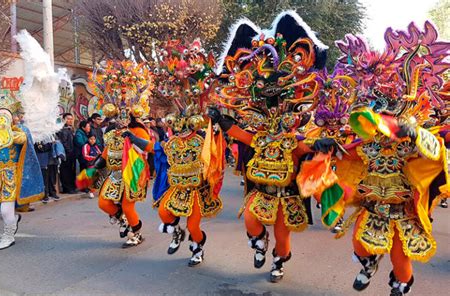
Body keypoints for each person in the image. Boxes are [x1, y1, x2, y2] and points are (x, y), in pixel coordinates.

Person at [300, 22, 449, 296]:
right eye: (376, 101)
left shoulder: (414, 137)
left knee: (401, 260)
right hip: (372, 205)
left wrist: (414, 134)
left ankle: (400, 286)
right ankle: (368, 264)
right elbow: (346, 153)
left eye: (388, 101)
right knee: (359, 245)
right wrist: (323, 145)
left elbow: (438, 153)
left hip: (403, 211)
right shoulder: (366, 141)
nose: (381, 108)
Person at [208, 12, 328, 282]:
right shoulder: (259, 136)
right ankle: (259, 242)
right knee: (251, 221)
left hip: (286, 195)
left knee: (283, 239)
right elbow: (240, 134)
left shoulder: (291, 139)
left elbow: (305, 149)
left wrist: (320, 145)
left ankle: (279, 261)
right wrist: (222, 121)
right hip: (261, 191)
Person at [152, 38, 225, 267]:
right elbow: (155, 150)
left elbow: (213, 155)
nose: (182, 126)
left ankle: (198, 248)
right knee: (164, 214)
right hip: (176, 188)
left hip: (195, 189)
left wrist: (214, 125)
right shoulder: (171, 141)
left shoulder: (203, 139)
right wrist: (132, 138)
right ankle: (176, 233)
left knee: (194, 226)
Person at [76, 59, 153, 249]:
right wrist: (93, 170)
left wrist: (132, 138)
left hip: (133, 173)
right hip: (115, 174)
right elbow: (105, 154)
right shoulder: (110, 133)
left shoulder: (138, 130)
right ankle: (124, 221)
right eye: (118, 116)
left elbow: (149, 148)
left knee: (128, 206)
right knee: (103, 203)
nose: (121, 120)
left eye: (125, 116)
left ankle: (137, 233)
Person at [0, 101, 44, 250]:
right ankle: (13, 220)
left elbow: (23, 139)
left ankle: (8, 236)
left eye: (4, 115)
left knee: (6, 210)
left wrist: (6, 131)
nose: (0, 118)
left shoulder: (18, 131)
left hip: (10, 175)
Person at [57, 113, 77, 194]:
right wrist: (69, 151)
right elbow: (64, 143)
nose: (70, 120)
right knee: (65, 171)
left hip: (71, 154)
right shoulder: (63, 130)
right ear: (64, 120)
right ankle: (67, 188)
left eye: (71, 119)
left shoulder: (70, 129)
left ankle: (71, 187)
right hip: (66, 154)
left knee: (70, 171)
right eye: (68, 119)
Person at [81, 133, 102, 198]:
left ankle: (97, 191)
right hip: (90, 164)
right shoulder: (86, 146)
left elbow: (100, 153)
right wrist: (94, 158)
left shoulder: (96, 146)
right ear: (88, 139)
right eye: (91, 139)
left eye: (94, 139)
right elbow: (85, 155)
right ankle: (90, 191)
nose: (92, 140)